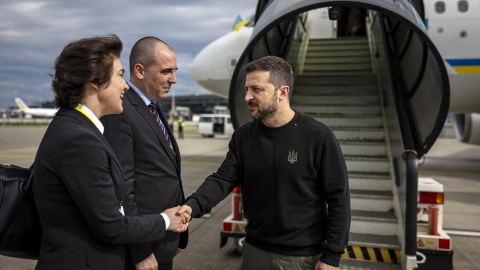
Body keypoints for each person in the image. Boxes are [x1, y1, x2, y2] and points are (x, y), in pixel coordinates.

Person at [178, 56, 350, 270]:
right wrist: (191, 206)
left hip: (301, 258)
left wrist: (332, 255)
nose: (248, 96)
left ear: (283, 92)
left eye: (257, 90)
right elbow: (222, 179)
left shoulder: (318, 137)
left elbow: (338, 199)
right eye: (247, 89)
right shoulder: (243, 137)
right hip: (254, 252)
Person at [33, 35, 189, 270]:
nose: (125, 84)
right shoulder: (79, 139)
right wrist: (166, 220)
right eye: (119, 75)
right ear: (95, 81)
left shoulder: (78, 129)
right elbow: (112, 223)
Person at [101, 37, 187, 270]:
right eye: (166, 71)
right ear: (139, 70)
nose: (174, 79)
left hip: (164, 239)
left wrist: (177, 237)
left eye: (174, 71)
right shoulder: (121, 110)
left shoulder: (152, 107)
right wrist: (140, 251)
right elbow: (122, 189)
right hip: (143, 248)